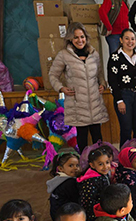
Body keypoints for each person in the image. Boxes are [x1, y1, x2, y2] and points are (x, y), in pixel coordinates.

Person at [49, 22, 108, 153]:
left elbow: (100, 74)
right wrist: (61, 88)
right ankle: (85, 165)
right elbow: (53, 75)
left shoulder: (94, 54)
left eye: (82, 37)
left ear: (86, 37)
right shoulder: (64, 55)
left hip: (95, 103)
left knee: (98, 138)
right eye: (76, 37)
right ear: (70, 38)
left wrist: (103, 84)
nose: (80, 40)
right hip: (77, 104)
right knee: (82, 139)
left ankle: (100, 165)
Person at [107, 28, 136, 147]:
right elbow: (112, 81)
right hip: (124, 95)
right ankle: (125, 160)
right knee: (126, 129)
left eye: (132, 39)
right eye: (127, 38)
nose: (130, 41)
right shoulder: (115, 58)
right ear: (121, 40)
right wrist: (119, 100)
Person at [77, 148, 112, 221]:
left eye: (107, 162)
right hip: (94, 214)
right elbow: (87, 203)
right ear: (92, 165)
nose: (105, 166)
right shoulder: (90, 181)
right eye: (100, 164)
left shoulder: (102, 174)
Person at [47, 152, 80, 221]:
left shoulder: (58, 178)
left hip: (55, 216)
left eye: (77, 165)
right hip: (65, 218)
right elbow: (76, 200)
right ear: (61, 168)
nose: (75, 168)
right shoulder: (70, 183)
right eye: (71, 166)